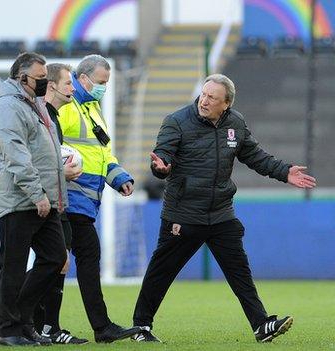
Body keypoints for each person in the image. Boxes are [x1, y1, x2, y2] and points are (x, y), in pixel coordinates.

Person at [130, 74, 317, 343]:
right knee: (162, 272)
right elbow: (163, 155)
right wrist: (160, 168)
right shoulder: (177, 121)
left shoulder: (235, 123)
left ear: (226, 104)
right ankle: (141, 327)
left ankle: (261, 325)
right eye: (203, 95)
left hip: (220, 213)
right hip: (184, 214)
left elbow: (255, 156)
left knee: (239, 272)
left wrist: (284, 172)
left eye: (212, 98)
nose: (204, 101)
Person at [0, 52, 68, 347]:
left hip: (43, 199)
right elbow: (16, 154)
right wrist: (37, 193)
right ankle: (7, 328)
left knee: (55, 258)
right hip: (20, 199)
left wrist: (56, 196)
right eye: (40, 78)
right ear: (22, 78)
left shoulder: (33, 104)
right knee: (14, 266)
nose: (45, 82)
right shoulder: (7, 107)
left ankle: (20, 318)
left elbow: (49, 154)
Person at [57, 54, 138, 343]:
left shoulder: (92, 107)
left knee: (57, 262)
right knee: (71, 259)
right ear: (83, 78)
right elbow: (50, 146)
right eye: (102, 82)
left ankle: (15, 313)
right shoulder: (66, 107)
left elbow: (102, 154)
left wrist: (119, 177)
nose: (104, 87)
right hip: (69, 200)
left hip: (85, 201)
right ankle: (99, 327)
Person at [32, 62, 87, 344]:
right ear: (51, 85)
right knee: (54, 260)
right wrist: (59, 172)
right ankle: (26, 318)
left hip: (57, 198)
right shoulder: (43, 117)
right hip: (43, 199)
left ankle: (43, 324)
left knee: (58, 262)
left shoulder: (52, 116)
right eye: (68, 82)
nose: (72, 88)